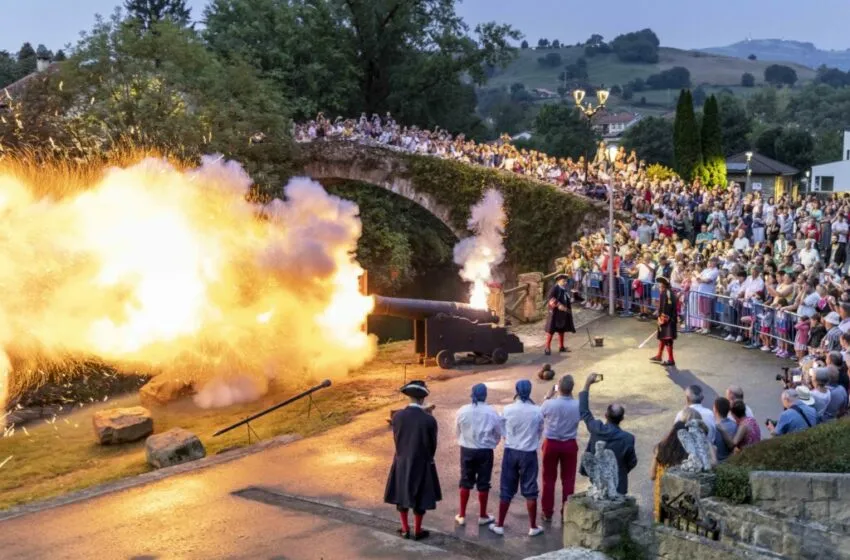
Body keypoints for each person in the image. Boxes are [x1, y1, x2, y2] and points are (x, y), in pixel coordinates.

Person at [384, 381, 442, 540]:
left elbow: (397, 439)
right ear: (423, 399)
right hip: (422, 462)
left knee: (401, 495)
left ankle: (404, 529)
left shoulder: (397, 417)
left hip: (402, 460)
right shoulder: (429, 420)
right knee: (420, 498)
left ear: (409, 397)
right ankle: (417, 531)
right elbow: (432, 445)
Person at [490, 380, 544, 537]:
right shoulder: (536, 410)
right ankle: (533, 526)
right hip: (529, 452)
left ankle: (499, 524)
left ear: (517, 391)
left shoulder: (508, 409)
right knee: (530, 489)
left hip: (511, 451)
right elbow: (540, 429)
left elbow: (499, 425)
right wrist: (533, 441)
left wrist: (507, 437)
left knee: (507, 488)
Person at [579, 373, 638, 495]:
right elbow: (632, 462)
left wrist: (587, 384)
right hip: (619, 483)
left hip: (598, 480)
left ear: (606, 416)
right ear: (622, 419)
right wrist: (620, 471)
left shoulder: (596, 428)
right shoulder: (628, 438)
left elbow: (584, 411)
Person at [454, 383, 501, 527]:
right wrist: (491, 443)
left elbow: (457, 431)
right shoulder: (492, 412)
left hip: (467, 449)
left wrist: (464, 440)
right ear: (485, 395)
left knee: (465, 481)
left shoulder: (463, 411)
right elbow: (497, 433)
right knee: (483, 483)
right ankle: (482, 515)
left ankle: (461, 515)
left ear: (472, 394)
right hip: (485, 451)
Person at [540, 374, 581, 522]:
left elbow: (540, 414)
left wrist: (548, 396)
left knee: (548, 479)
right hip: (569, 444)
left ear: (558, 387)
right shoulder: (578, 405)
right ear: (572, 388)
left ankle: (547, 512)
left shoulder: (549, 404)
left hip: (551, 443)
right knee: (568, 480)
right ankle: (566, 512)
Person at [544, 274, 576, 356]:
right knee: (551, 330)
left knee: (561, 330)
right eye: (563, 281)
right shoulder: (555, 288)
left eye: (565, 281)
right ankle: (547, 347)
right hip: (555, 313)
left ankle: (561, 347)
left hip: (562, 314)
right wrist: (558, 305)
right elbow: (550, 298)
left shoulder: (564, 289)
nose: (565, 282)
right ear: (558, 281)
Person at [650, 276, 678, 367]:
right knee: (663, 338)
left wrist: (663, 318)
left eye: (661, 284)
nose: (659, 286)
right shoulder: (666, 292)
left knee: (667, 339)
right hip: (664, 318)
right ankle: (659, 356)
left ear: (664, 285)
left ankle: (671, 359)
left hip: (668, 320)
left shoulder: (667, 293)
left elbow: (669, 308)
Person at [713, 398, 737, 462]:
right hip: (731, 460)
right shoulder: (735, 425)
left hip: (718, 462)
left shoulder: (714, 427)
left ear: (715, 409)